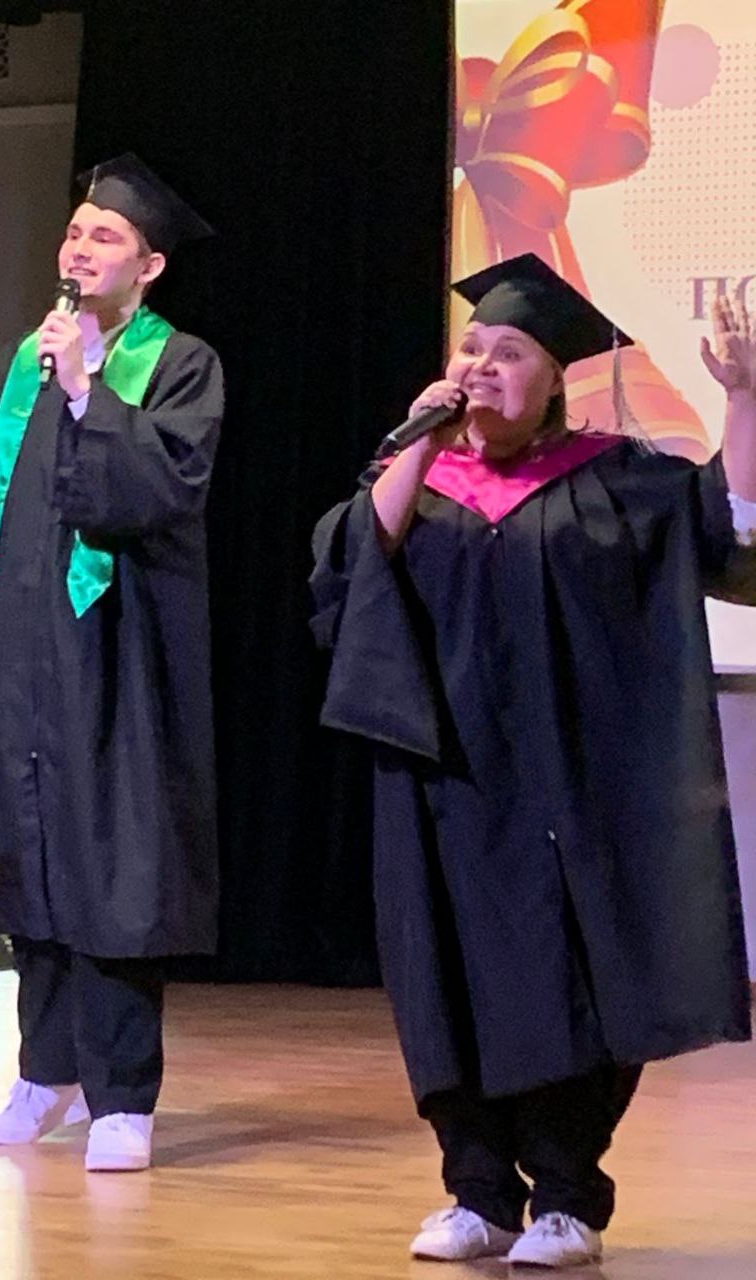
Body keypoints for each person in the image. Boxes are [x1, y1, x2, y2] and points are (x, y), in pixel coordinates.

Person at [310, 254, 755, 1267]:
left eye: (509, 352)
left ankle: (565, 1196)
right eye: (471, 348)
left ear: (556, 378)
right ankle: (476, 1191)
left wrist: (742, 401)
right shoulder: (420, 480)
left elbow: (730, 535)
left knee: (574, 984)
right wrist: (418, 443)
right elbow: (350, 569)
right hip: (441, 783)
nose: (482, 365)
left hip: (575, 789)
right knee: (442, 977)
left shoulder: (615, 477)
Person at [0, 153, 223, 1172]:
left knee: (115, 862)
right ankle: (45, 1068)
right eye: (75, 231)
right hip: (14, 646)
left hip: (116, 649)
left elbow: (162, 492)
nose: (79, 247)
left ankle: (122, 1095)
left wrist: (87, 389)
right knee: (24, 854)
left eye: (105, 236)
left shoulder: (182, 364)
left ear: (149, 266)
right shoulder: (20, 361)